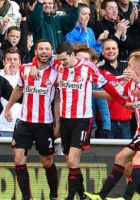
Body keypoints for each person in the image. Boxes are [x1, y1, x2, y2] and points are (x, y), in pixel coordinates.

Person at [89, 41, 140, 200]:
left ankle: (124, 197)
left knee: (135, 161)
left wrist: (134, 83)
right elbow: (117, 94)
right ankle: (104, 196)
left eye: (130, 65)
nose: (127, 68)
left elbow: (138, 93)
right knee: (127, 164)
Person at [53, 41, 127, 199]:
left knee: (72, 160)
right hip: (66, 120)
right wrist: (33, 64)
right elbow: (40, 58)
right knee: (71, 163)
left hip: (83, 120)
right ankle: (83, 195)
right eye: (59, 60)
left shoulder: (88, 67)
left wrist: (122, 101)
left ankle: (71, 196)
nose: (61, 63)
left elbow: (106, 86)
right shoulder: (58, 64)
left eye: (64, 60)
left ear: (72, 55)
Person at [84, 51, 140, 200]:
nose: (126, 67)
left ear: (136, 66)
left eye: (129, 65)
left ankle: (105, 196)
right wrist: (90, 91)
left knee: (122, 159)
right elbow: (113, 94)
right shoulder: (131, 84)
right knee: (128, 169)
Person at [5, 39, 59, 200]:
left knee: (47, 161)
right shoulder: (25, 69)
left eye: (47, 49)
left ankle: (54, 195)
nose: (44, 51)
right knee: (19, 159)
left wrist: (57, 124)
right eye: (41, 48)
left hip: (44, 123)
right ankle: (26, 197)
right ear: (35, 52)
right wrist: (8, 107)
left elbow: (57, 99)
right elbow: (19, 89)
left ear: (51, 52)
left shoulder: (56, 72)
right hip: (24, 122)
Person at [98, 38, 132, 139]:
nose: (111, 51)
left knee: (126, 154)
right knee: (105, 154)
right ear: (102, 52)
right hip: (106, 122)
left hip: (126, 120)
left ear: (118, 50)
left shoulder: (129, 66)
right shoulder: (98, 69)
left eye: (114, 48)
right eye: (108, 49)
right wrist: (124, 82)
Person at [75, 47, 111, 138]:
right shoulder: (64, 75)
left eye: (86, 59)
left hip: (89, 126)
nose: (82, 62)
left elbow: (103, 107)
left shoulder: (95, 80)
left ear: (91, 62)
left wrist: (106, 127)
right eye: (79, 59)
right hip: (68, 123)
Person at [0, 47, 22, 137]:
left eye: (15, 59)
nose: (12, 62)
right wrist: (7, 76)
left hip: (21, 126)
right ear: (4, 62)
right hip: (1, 125)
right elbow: (9, 93)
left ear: (19, 63)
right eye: (9, 59)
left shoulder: (25, 77)